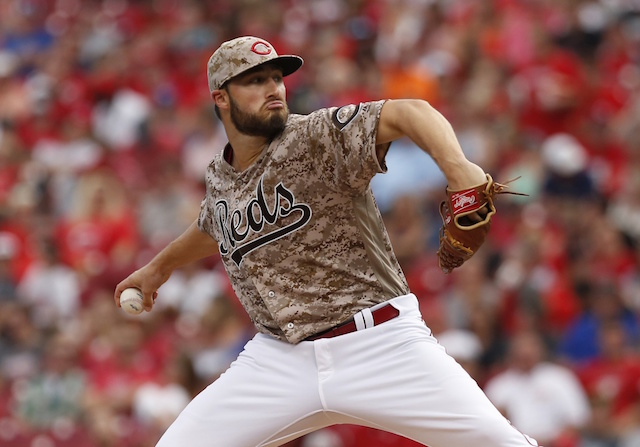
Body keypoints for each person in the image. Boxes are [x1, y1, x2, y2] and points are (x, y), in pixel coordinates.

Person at [114, 36, 538, 447]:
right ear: (220, 98)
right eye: (255, 81)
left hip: (379, 342)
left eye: (276, 78)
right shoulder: (220, 176)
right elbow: (213, 226)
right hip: (278, 360)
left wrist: (459, 170)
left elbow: (412, 111)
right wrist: (159, 268)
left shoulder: (314, 136)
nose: (273, 89)